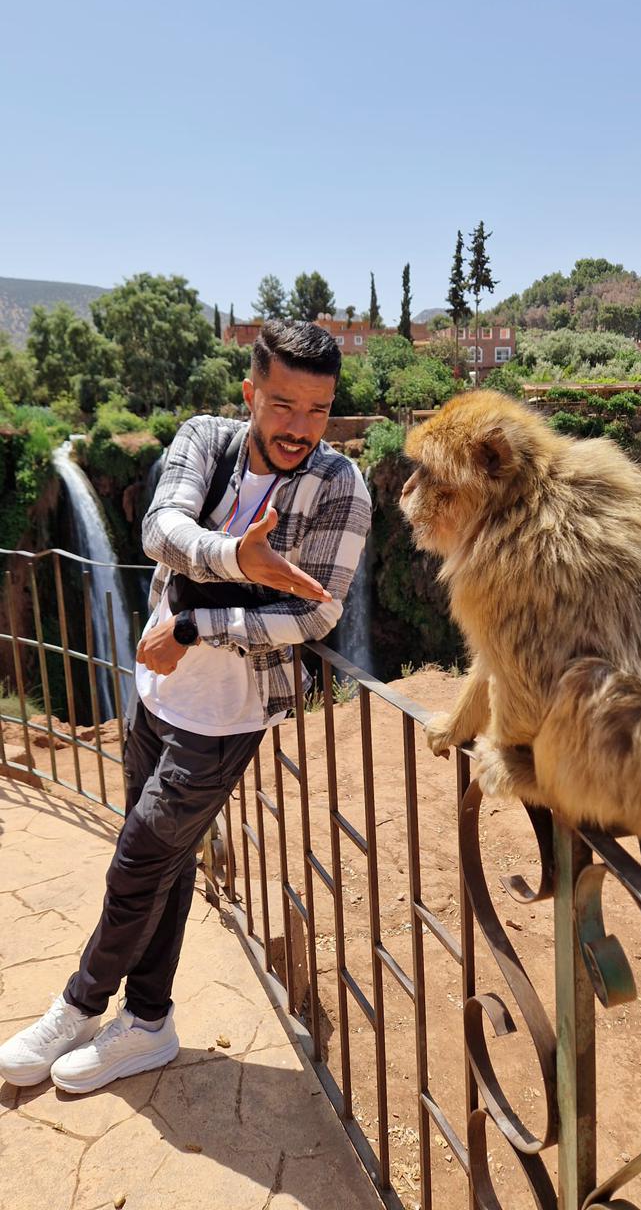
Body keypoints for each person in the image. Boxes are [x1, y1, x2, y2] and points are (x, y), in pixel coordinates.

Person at [0, 320, 371, 1093]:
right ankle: (149, 1021)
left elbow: (316, 616)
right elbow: (160, 528)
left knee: (138, 862)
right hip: (154, 694)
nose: (301, 428)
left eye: (319, 409)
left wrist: (200, 624)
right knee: (160, 864)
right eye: (283, 405)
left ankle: (78, 1006)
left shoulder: (341, 485)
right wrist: (239, 558)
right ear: (251, 394)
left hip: (228, 718)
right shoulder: (204, 439)